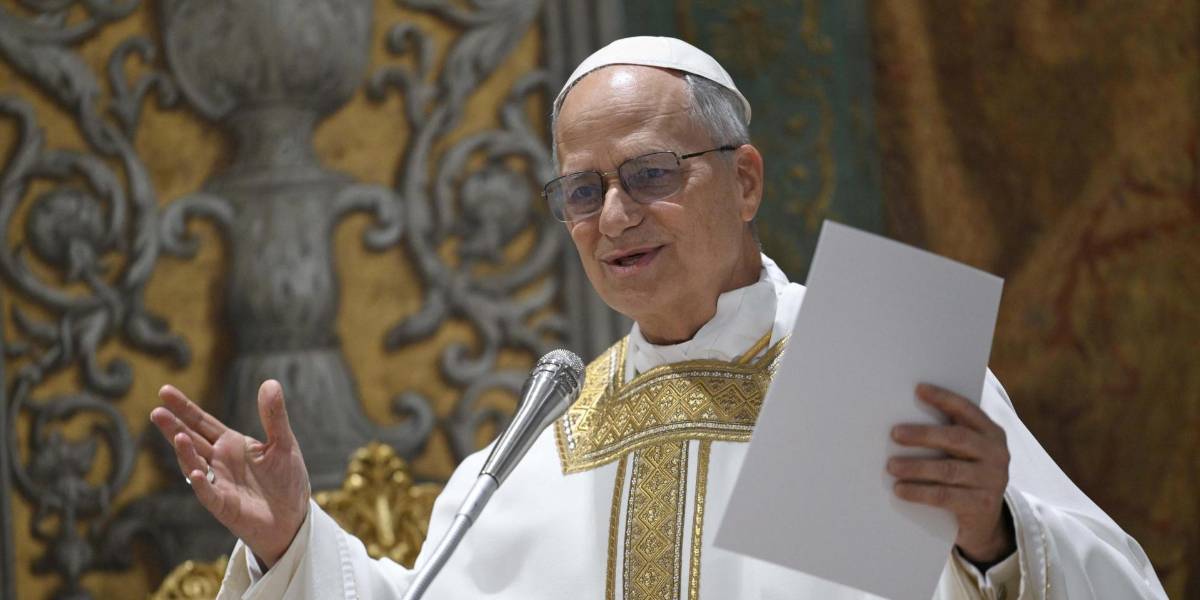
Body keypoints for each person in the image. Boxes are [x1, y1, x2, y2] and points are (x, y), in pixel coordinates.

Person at [150, 37, 1167, 599]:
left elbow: (1117, 587)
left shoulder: (883, 368)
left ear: (748, 178)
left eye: (649, 174)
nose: (617, 217)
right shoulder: (549, 432)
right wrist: (293, 541)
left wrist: (992, 534)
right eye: (583, 191)